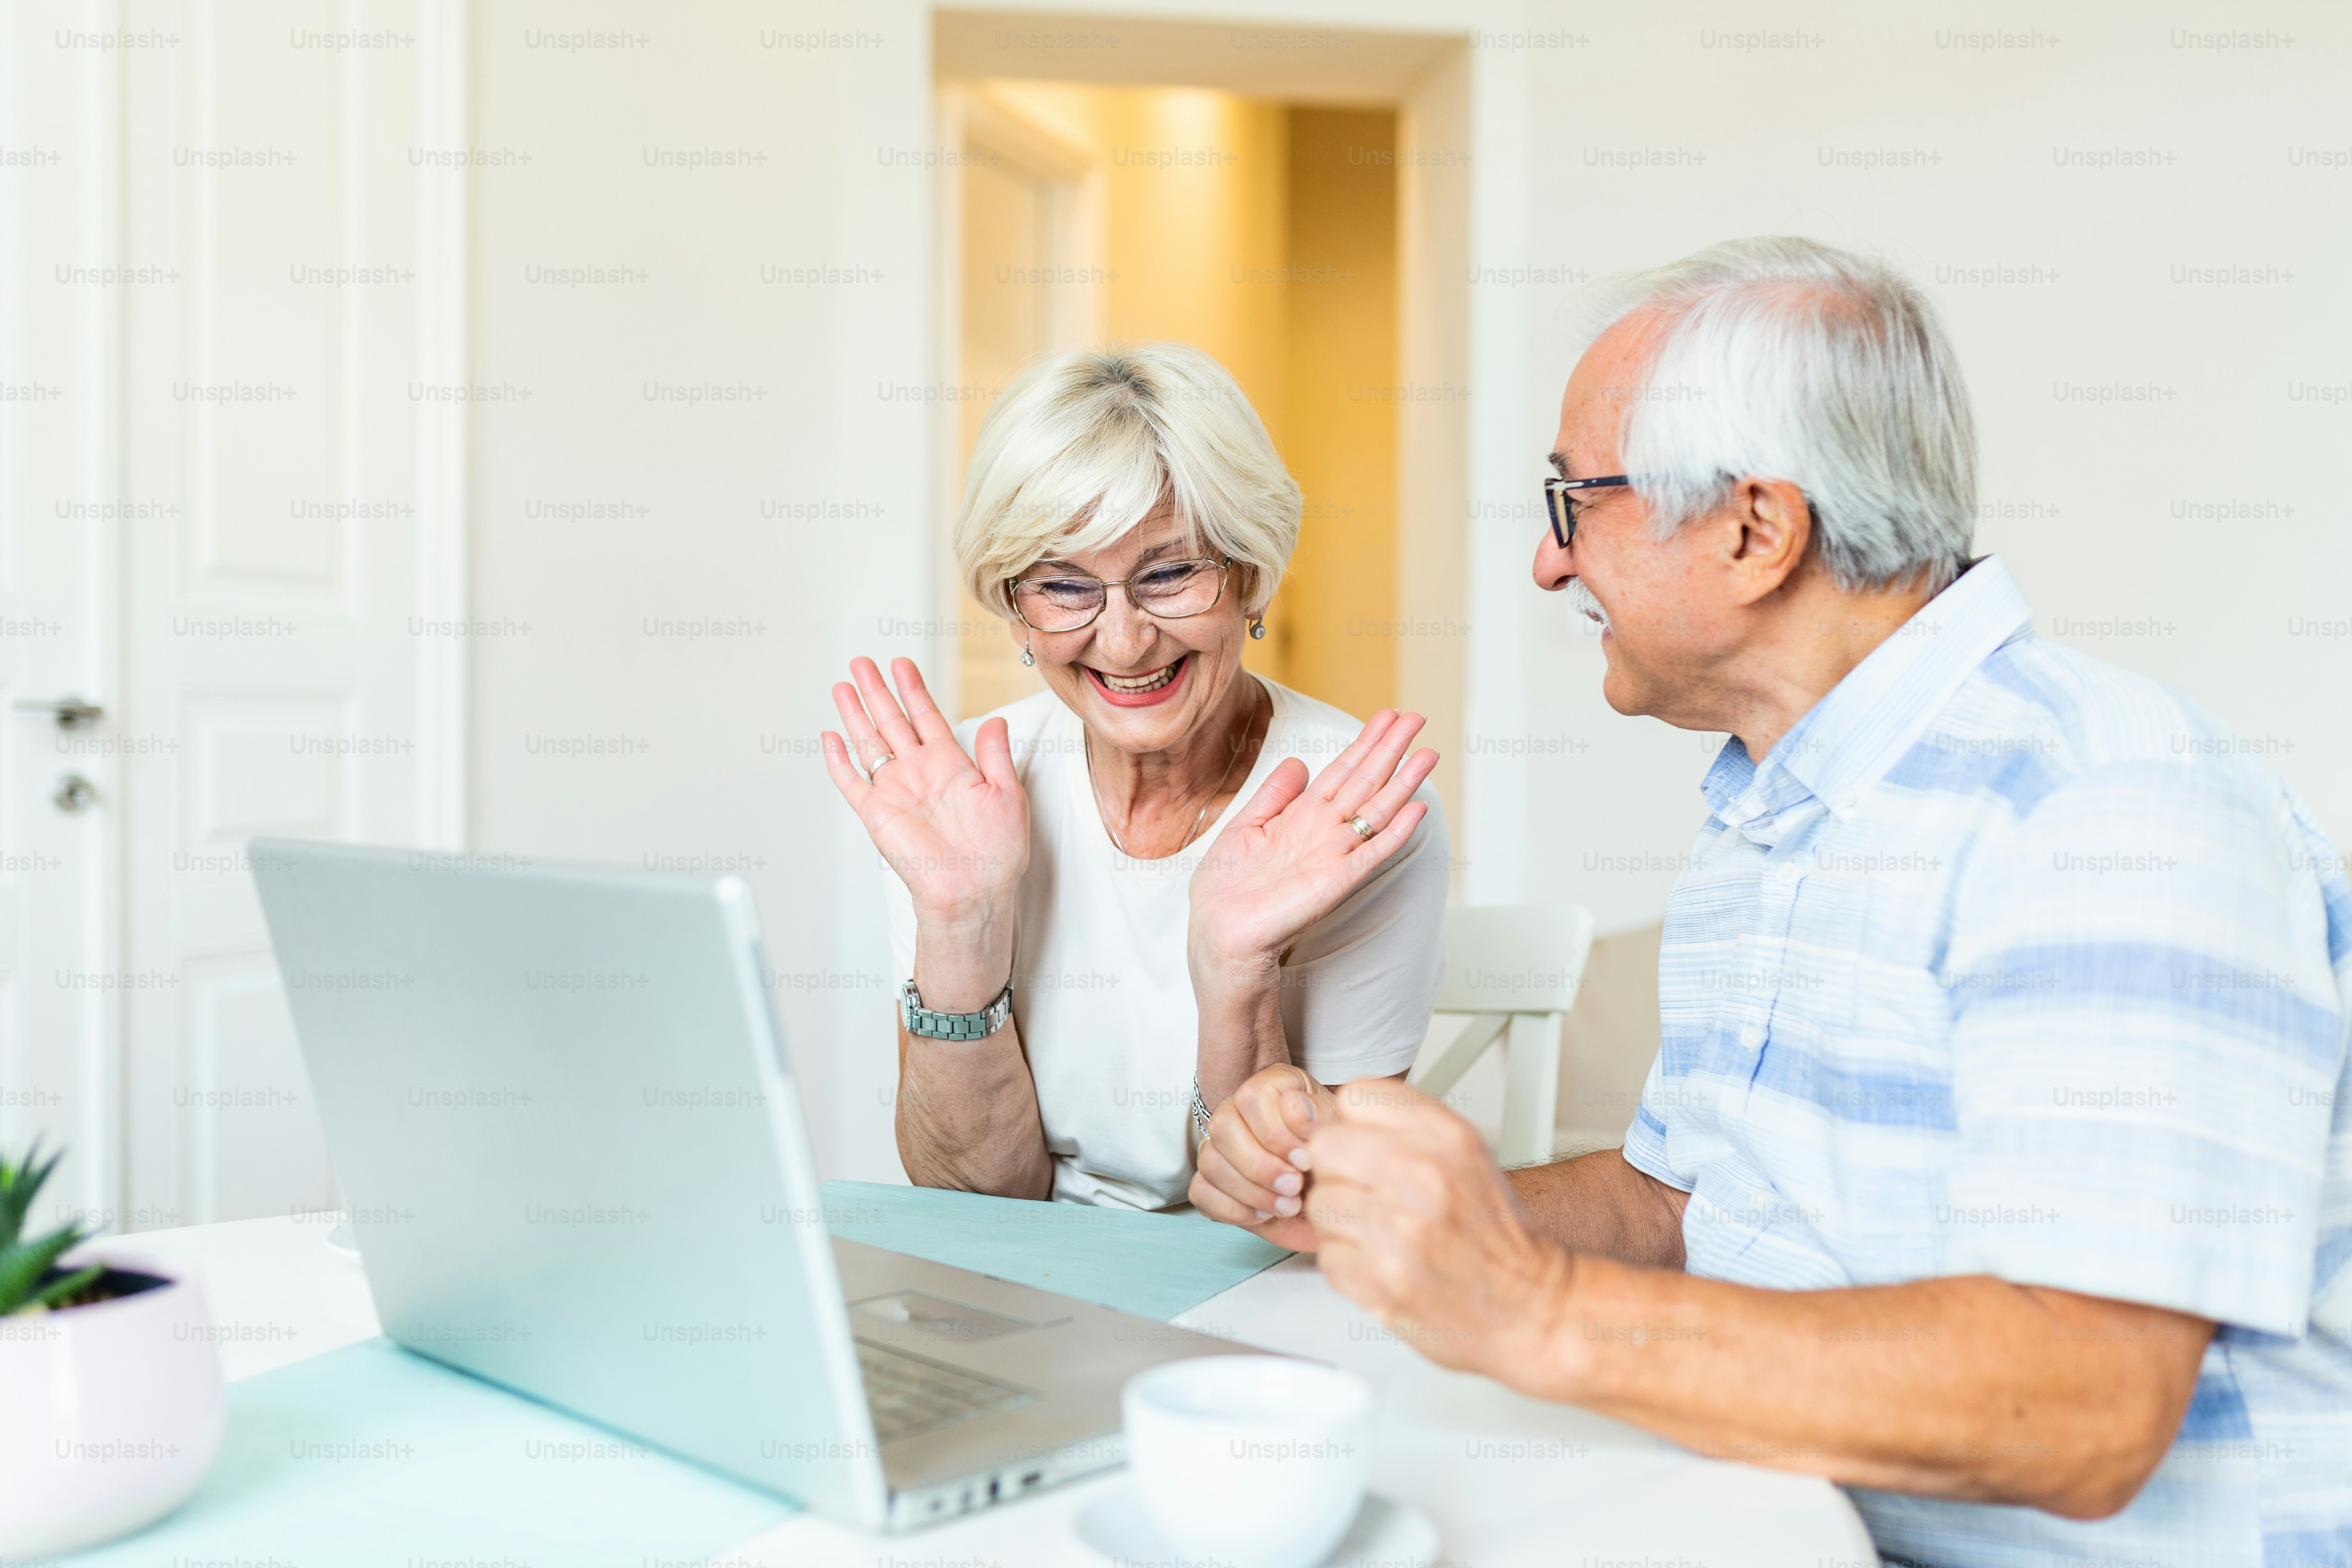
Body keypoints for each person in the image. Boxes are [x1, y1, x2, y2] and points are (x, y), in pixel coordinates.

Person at [1193, 237, 2352, 1566]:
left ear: (1754, 530)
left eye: (1573, 502)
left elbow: (2084, 1402)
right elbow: (1680, 1205)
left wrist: (1530, 1305)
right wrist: (1378, 1186)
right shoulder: (1766, 805)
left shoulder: (2104, 809)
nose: (1545, 563)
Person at [822, 342, 1448, 1210]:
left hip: (1257, 1283)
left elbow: (1295, 1208)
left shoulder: (1354, 808)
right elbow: (975, 1192)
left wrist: (1237, 969)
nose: (1123, 643)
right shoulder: (953, 796)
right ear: (1016, 611)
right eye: (1064, 585)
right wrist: (961, 920)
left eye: (1170, 573)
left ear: (1251, 577)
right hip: (1037, 1283)